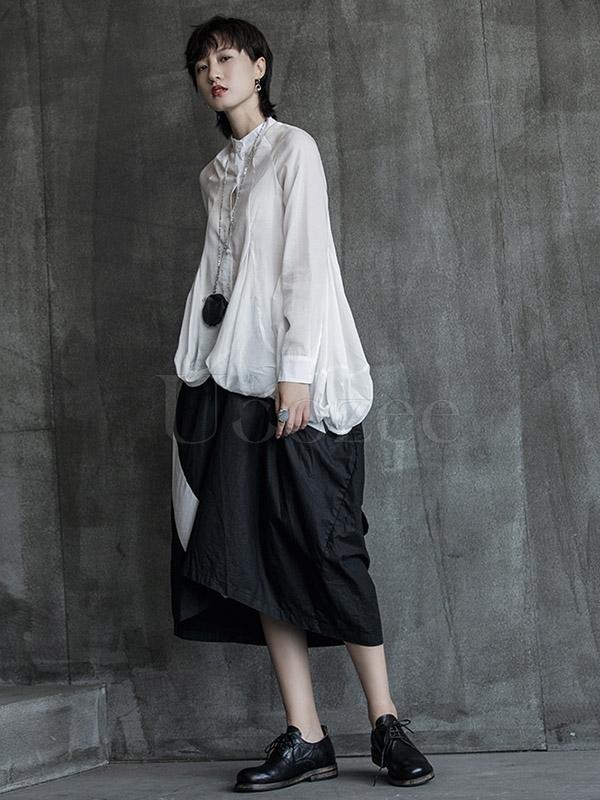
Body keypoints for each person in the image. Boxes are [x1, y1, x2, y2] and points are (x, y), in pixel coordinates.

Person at [171, 14, 435, 792]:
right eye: (202, 65)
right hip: (230, 387)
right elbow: (220, 282)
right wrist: (196, 370)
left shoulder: (294, 150)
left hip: (300, 383)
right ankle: (307, 735)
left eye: (227, 58)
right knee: (258, 556)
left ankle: (386, 724)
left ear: (259, 66)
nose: (214, 73)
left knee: (329, 543)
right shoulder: (215, 174)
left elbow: (306, 266)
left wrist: (297, 372)